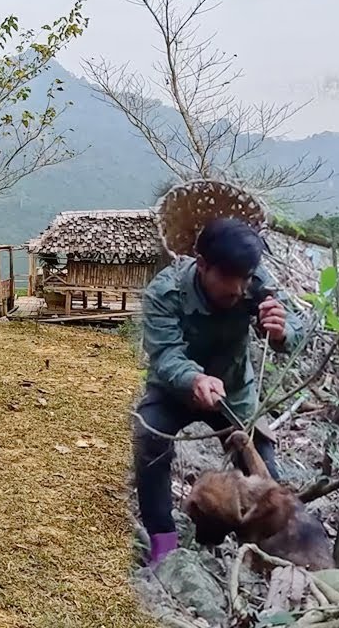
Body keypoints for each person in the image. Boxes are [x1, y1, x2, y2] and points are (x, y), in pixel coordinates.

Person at [133, 217, 305, 566]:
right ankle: (163, 542)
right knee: (148, 439)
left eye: (245, 278)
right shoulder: (165, 292)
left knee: (265, 475)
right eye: (228, 277)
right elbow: (166, 355)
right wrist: (193, 379)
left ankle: (269, 551)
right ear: (202, 265)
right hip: (175, 391)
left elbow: (297, 326)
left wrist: (281, 331)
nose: (239, 289)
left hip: (233, 393)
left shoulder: (256, 283)